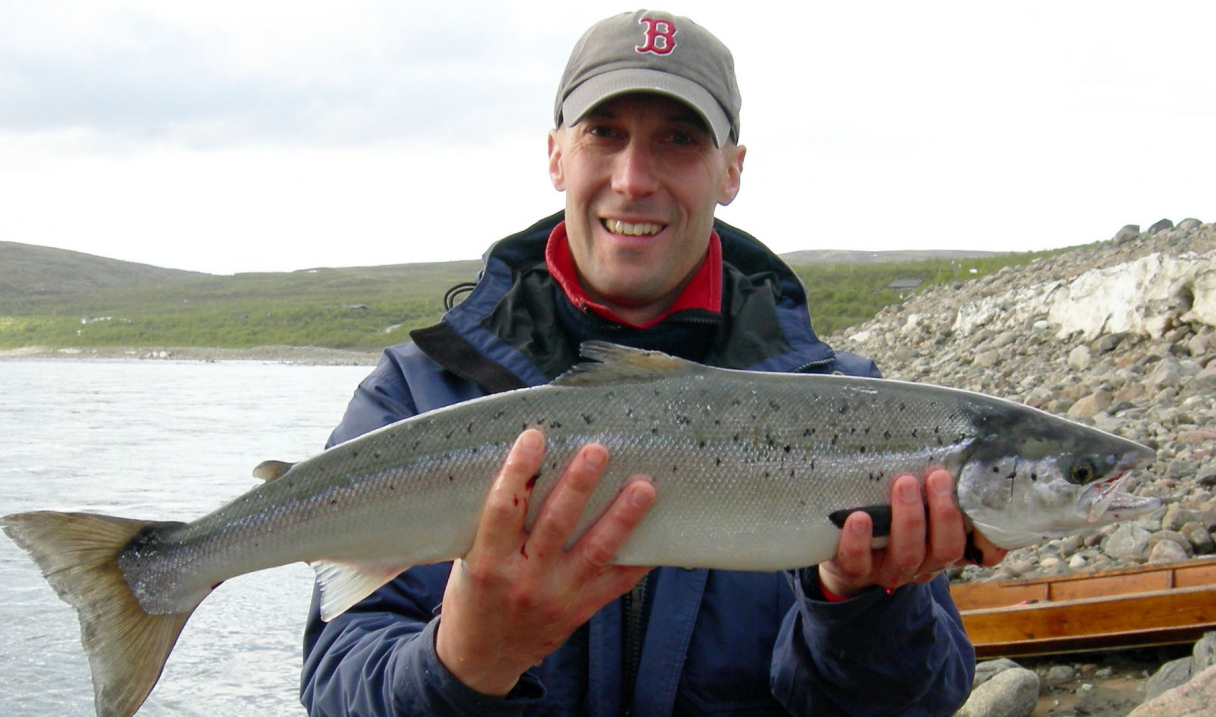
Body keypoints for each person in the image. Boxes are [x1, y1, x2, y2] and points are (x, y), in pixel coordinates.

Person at [301, 9, 1006, 716]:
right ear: (555, 155)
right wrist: (460, 661)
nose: (633, 178)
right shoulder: (416, 391)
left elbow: (909, 705)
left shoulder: (855, 412)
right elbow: (334, 685)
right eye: (603, 133)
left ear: (730, 170)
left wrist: (863, 607)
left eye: (678, 139)